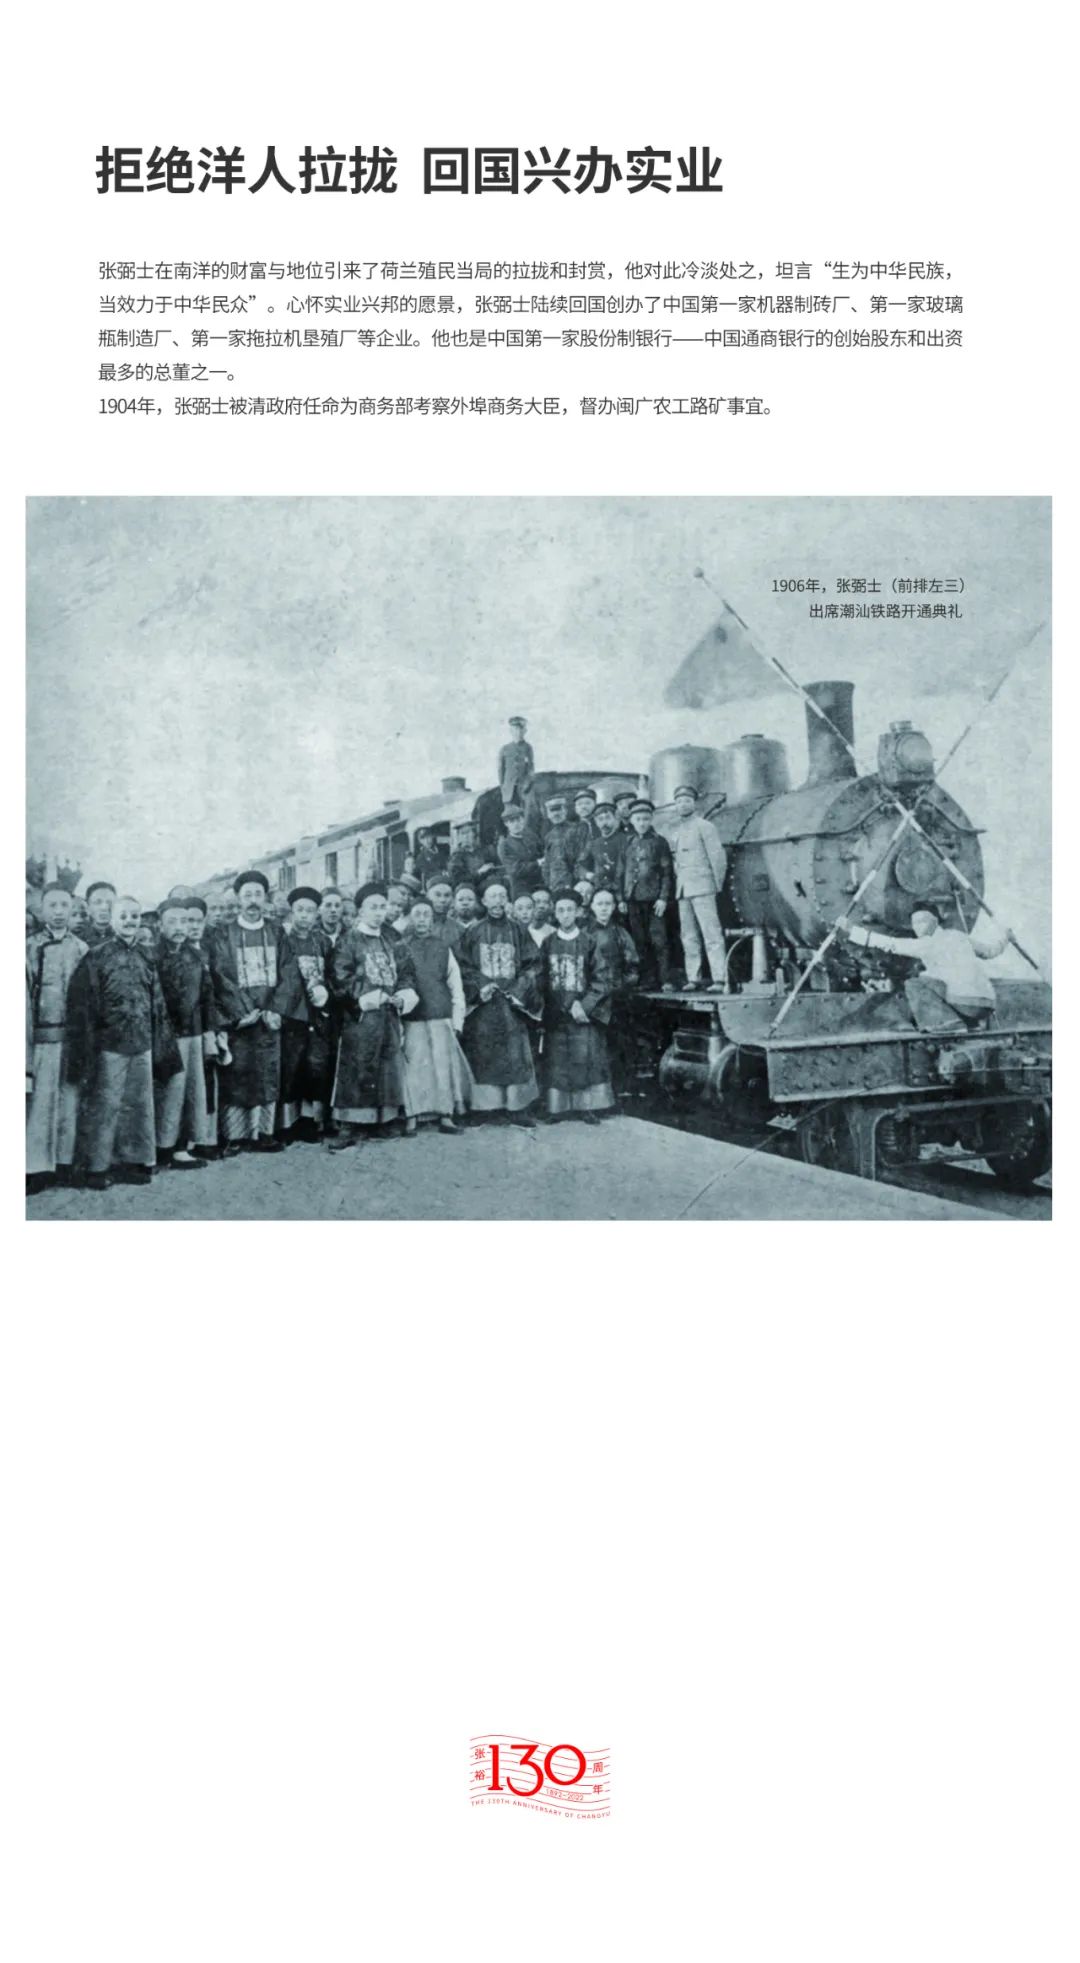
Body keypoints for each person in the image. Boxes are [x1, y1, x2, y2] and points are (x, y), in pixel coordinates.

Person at [66, 894, 180, 1190]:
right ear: (112, 919)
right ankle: (98, 1166)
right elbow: (84, 1003)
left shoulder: (147, 956)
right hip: (109, 1044)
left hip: (142, 1041)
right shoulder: (97, 955)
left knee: (139, 1104)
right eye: (124, 916)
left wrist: (160, 1041)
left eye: (134, 916)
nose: (130, 921)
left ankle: (134, 1162)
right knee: (107, 1105)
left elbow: (157, 1001)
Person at [207, 869, 297, 1154]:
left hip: (269, 1017)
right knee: (238, 1072)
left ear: (265, 897)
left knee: (268, 1072)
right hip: (241, 1019)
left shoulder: (276, 931)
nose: (253, 900)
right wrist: (241, 1012)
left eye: (258, 894)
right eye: (247, 895)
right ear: (238, 898)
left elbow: (289, 971)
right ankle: (235, 1135)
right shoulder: (224, 933)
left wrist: (276, 1009)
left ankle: (264, 1133)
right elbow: (221, 974)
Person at [328, 882, 419, 1148]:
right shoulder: (348, 940)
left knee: (388, 1064)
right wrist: (367, 996)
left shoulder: (392, 938)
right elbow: (340, 977)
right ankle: (350, 1125)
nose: (379, 912)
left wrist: (403, 994)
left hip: (389, 1014)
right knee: (357, 1064)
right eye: (373, 907)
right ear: (360, 910)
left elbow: (406, 971)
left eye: (382, 907)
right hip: (361, 1016)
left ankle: (385, 1119)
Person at [839, 907, 1017, 1029]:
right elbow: (990, 952)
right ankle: (971, 1024)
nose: (917, 927)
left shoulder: (927, 944)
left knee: (915, 983)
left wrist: (852, 931)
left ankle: (945, 1025)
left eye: (921, 922)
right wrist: (1006, 939)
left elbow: (890, 944)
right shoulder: (960, 936)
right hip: (987, 1003)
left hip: (964, 1003)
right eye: (914, 923)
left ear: (934, 922)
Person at [457, 877, 542, 1125]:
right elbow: (464, 966)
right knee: (483, 1052)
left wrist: (518, 989)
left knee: (515, 1054)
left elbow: (533, 965)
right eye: (492, 896)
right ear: (483, 901)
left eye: (502, 896)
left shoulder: (519, 930)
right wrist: (481, 984)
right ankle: (485, 1108)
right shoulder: (473, 932)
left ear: (508, 900)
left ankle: (517, 1107)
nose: (498, 901)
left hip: (512, 1003)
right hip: (484, 1004)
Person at [25, 883, 88, 1193]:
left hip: (74, 1039)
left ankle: (66, 1164)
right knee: (41, 1104)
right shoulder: (29, 948)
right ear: (41, 910)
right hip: (42, 1039)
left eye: (65, 905)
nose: (60, 912)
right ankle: (36, 1168)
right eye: (53, 905)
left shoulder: (82, 949)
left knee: (70, 1102)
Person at [540, 889, 616, 1124]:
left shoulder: (589, 941)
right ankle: (557, 1108)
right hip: (556, 1012)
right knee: (557, 1059)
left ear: (578, 912)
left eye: (570, 910)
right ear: (555, 913)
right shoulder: (548, 943)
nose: (565, 914)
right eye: (560, 910)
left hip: (582, 1012)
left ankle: (587, 1107)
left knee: (585, 1057)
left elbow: (602, 978)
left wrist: (585, 1005)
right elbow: (541, 978)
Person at [400, 898, 474, 1134]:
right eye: (417, 914)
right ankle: (412, 1115)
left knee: (442, 1065)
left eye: (426, 914)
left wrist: (457, 1019)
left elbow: (455, 984)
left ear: (432, 919)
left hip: (440, 1014)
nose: (422, 919)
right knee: (414, 1066)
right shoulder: (401, 947)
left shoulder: (443, 947)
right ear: (410, 918)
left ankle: (445, 1114)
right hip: (412, 1016)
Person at [153, 900, 217, 1171]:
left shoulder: (196, 956)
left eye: (185, 921)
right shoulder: (152, 957)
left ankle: (181, 1148)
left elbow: (207, 997)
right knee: (165, 1091)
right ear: (160, 925)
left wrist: (209, 1032)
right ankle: (159, 1149)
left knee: (190, 1091)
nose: (180, 927)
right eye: (172, 922)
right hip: (163, 1036)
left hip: (193, 1034)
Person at [277, 886, 335, 1139]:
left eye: (310, 911)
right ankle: (287, 1123)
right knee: (291, 1066)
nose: (304, 916)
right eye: (300, 910)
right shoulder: (283, 940)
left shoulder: (322, 941)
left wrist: (324, 992)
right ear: (291, 912)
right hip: (291, 1013)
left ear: (316, 914)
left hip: (317, 1012)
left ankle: (311, 1119)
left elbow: (332, 974)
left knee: (315, 1065)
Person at [671, 784, 727, 990]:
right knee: (688, 936)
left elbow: (718, 857)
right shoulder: (677, 830)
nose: (683, 805)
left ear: (694, 803)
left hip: (703, 887)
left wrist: (716, 884)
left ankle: (719, 978)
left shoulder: (705, 826)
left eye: (687, 801)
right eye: (679, 801)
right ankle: (693, 978)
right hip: (683, 889)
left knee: (711, 934)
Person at [588, 888, 641, 1095]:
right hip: (592, 999)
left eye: (608, 904)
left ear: (613, 907)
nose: (604, 908)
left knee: (620, 1044)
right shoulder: (584, 933)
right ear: (592, 906)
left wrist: (621, 987)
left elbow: (633, 965)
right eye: (599, 904)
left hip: (617, 998)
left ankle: (620, 1091)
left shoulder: (621, 933)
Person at [622, 797, 675, 990]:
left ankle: (665, 979)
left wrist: (663, 898)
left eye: (646, 819)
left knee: (659, 940)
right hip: (633, 899)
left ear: (651, 819)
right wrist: (622, 898)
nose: (642, 823)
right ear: (632, 821)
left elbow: (667, 873)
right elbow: (622, 871)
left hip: (653, 900)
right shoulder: (629, 843)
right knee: (640, 941)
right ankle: (648, 980)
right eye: (638, 819)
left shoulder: (659, 842)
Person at [497, 804, 543, 900]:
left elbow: (542, 852)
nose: (516, 824)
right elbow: (515, 869)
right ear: (506, 824)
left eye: (518, 820)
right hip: (521, 888)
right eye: (512, 821)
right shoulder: (505, 845)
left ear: (523, 819)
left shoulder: (531, 836)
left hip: (539, 883)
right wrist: (537, 863)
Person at [590, 800, 628, 899]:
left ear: (615, 818)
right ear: (596, 822)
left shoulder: (625, 840)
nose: (604, 823)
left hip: (622, 891)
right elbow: (580, 864)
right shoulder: (594, 843)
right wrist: (589, 875)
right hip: (599, 890)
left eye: (608, 818)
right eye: (600, 819)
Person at [497, 715, 535, 809]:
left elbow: (531, 769)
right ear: (511, 731)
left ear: (525, 731)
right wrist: (503, 787)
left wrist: (527, 784)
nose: (518, 732)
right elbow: (501, 771)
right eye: (515, 729)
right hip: (508, 792)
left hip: (524, 790)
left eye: (521, 729)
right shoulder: (505, 749)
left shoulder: (528, 748)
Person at [541, 794, 575, 893]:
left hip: (574, 882)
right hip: (555, 884)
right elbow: (547, 863)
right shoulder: (548, 836)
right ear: (548, 814)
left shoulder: (577, 830)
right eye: (552, 811)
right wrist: (548, 883)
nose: (556, 814)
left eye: (559, 809)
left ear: (565, 810)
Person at [565, 788, 600, 879]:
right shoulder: (571, 831)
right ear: (575, 808)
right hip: (580, 875)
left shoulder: (601, 825)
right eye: (579, 804)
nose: (583, 807)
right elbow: (570, 859)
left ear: (595, 804)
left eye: (587, 803)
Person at [422, 877, 462, 949]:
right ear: (427, 896)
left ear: (452, 899)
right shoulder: (416, 926)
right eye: (437, 895)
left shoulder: (459, 929)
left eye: (447, 895)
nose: (442, 900)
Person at [448, 822, 485, 891]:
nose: (466, 837)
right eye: (463, 834)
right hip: (465, 890)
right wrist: (479, 872)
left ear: (474, 835)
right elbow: (457, 879)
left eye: (468, 833)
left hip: (482, 887)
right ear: (459, 837)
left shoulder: (480, 851)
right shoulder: (457, 855)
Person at [82, 879, 116, 949]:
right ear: (87, 907)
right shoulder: (78, 941)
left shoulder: (123, 937)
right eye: (98, 902)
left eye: (109, 902)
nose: (104, 907)